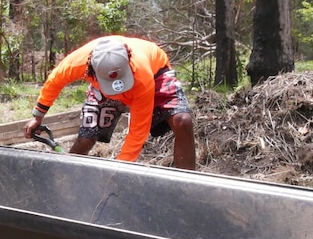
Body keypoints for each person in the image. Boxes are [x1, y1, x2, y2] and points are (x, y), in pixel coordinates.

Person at [24, 35, 196, 170]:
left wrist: (117, 171)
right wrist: (38, 116)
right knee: (86, 139)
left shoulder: (142, 76)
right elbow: (54, 82)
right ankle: (66, 178)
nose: (120, 92)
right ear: (91, 71)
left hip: (154, 75)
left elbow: (137, 133)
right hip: (104, 84)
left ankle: (189, 189)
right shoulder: (78, 64)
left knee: (183, 122)